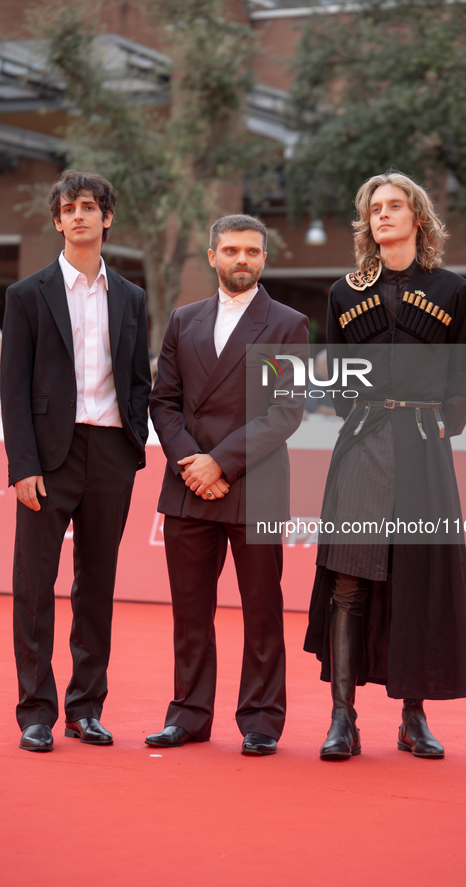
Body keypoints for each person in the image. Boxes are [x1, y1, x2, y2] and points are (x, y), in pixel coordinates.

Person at [304, 171, 466, 761]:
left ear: (417, 218)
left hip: (424, 448)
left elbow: (465, 384)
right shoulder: (344, 292)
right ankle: (342, 719)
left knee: (419, 580)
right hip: (363, 444)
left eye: (394, 206)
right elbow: (335, 379)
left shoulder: (454, 290)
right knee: (348, 583)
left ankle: (413, 719)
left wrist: (431, 427)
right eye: (374, 208)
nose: (382, 215)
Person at [147, 214, 309, 756]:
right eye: (233, 250)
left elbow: (286, 413)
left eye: (254, 252)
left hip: (255, 482)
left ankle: (261, 720)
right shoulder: (182, 319)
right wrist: (192, 461)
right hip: (188, 482)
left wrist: (219, 462)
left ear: (264, 259)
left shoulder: (288, 323)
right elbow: (162, 401)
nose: (244, 259)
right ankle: (188, 715)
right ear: (212, 255)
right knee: (190, 611)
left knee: (262, 608)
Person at [0, 170, 151, 752]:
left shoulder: (132, 296)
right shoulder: (26, 295)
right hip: (47, 459)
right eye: (69, 208)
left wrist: (132, 445)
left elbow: (138, 378)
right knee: (36, 587)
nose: (80, 215)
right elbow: (14, 389)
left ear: (107, 218)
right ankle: (35, 712)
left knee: (98, 586)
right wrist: (22, 464)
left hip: (111, 453)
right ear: (58, 220)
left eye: (91, 207)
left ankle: (85, 709)